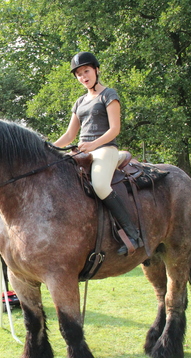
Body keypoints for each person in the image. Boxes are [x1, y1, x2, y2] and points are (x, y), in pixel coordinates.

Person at [53, 51, 143, 255]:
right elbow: (69, 135)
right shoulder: (79, 102)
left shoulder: (108, 95)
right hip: (83, 151)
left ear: (96, 70)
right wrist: (48, 147)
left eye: (86, 71)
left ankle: (133, 234)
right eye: (79, 74)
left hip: (105, 149)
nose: (83, 77)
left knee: (101, 186)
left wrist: (93, 144)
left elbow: (114, 129)